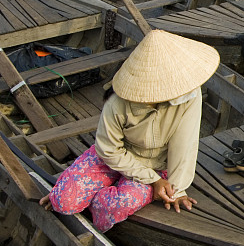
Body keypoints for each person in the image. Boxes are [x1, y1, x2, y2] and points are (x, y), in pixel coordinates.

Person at [39, 30, 221, 232]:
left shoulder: (189, 95)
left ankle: (91, 199)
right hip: (113, 158)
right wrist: (153, 181)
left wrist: (176, 189)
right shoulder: (117, 103)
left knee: (120, 204)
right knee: (63, 202)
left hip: (157, 166)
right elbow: (109, 150)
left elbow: (184, 144)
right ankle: (80, 194)